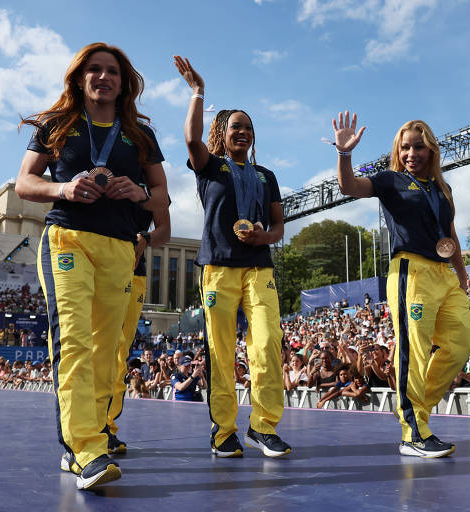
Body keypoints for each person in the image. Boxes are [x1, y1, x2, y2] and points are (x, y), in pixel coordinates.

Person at [16, 42, 168, 489]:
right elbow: (24, 181)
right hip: (68, 239)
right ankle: (86, 450)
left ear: (124, 84)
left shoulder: (139, 134)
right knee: (76, 341)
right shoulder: (57, 124)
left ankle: (91, 439)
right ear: (80, 78)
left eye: (113, 73)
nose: (104, 78)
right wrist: (63, 189)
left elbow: (162, 196)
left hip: (120, 248)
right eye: (95, 70)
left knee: (106, 352)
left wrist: (137, 193)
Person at [333, 112, 470, 458]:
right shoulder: (390, 181)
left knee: (460, 343)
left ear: (432, 150)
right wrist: (344, 154)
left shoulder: (443, 187)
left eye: (419, 147)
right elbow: (349, 187)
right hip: (411, 272)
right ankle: (413, 433)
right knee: (415, 352)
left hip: (444, 274)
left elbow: (449, 232)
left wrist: (462, 272)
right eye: (405, 147)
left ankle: (417, 412)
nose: (412, 153)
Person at [175, 55, 289, 458]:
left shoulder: (265, 176)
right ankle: (223, 431)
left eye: (248, 127)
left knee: (267, 344)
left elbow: (278, 227)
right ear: (222, 134)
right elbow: (190, 140)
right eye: (235, 126)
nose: (242, 132)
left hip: (258, 267)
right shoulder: (210, 167)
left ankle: (263, 427)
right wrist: (198, 93)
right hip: (219, 269)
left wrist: (265, 238)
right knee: (221, 352)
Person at [105, 195, 170, 455]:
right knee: (100, 350)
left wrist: (145, 238)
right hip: (101, 264)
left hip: (135, 272)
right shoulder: (101, 169)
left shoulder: (153, 179)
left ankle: (107, 426)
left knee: (120, 354)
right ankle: (87, 428)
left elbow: (164, 229)